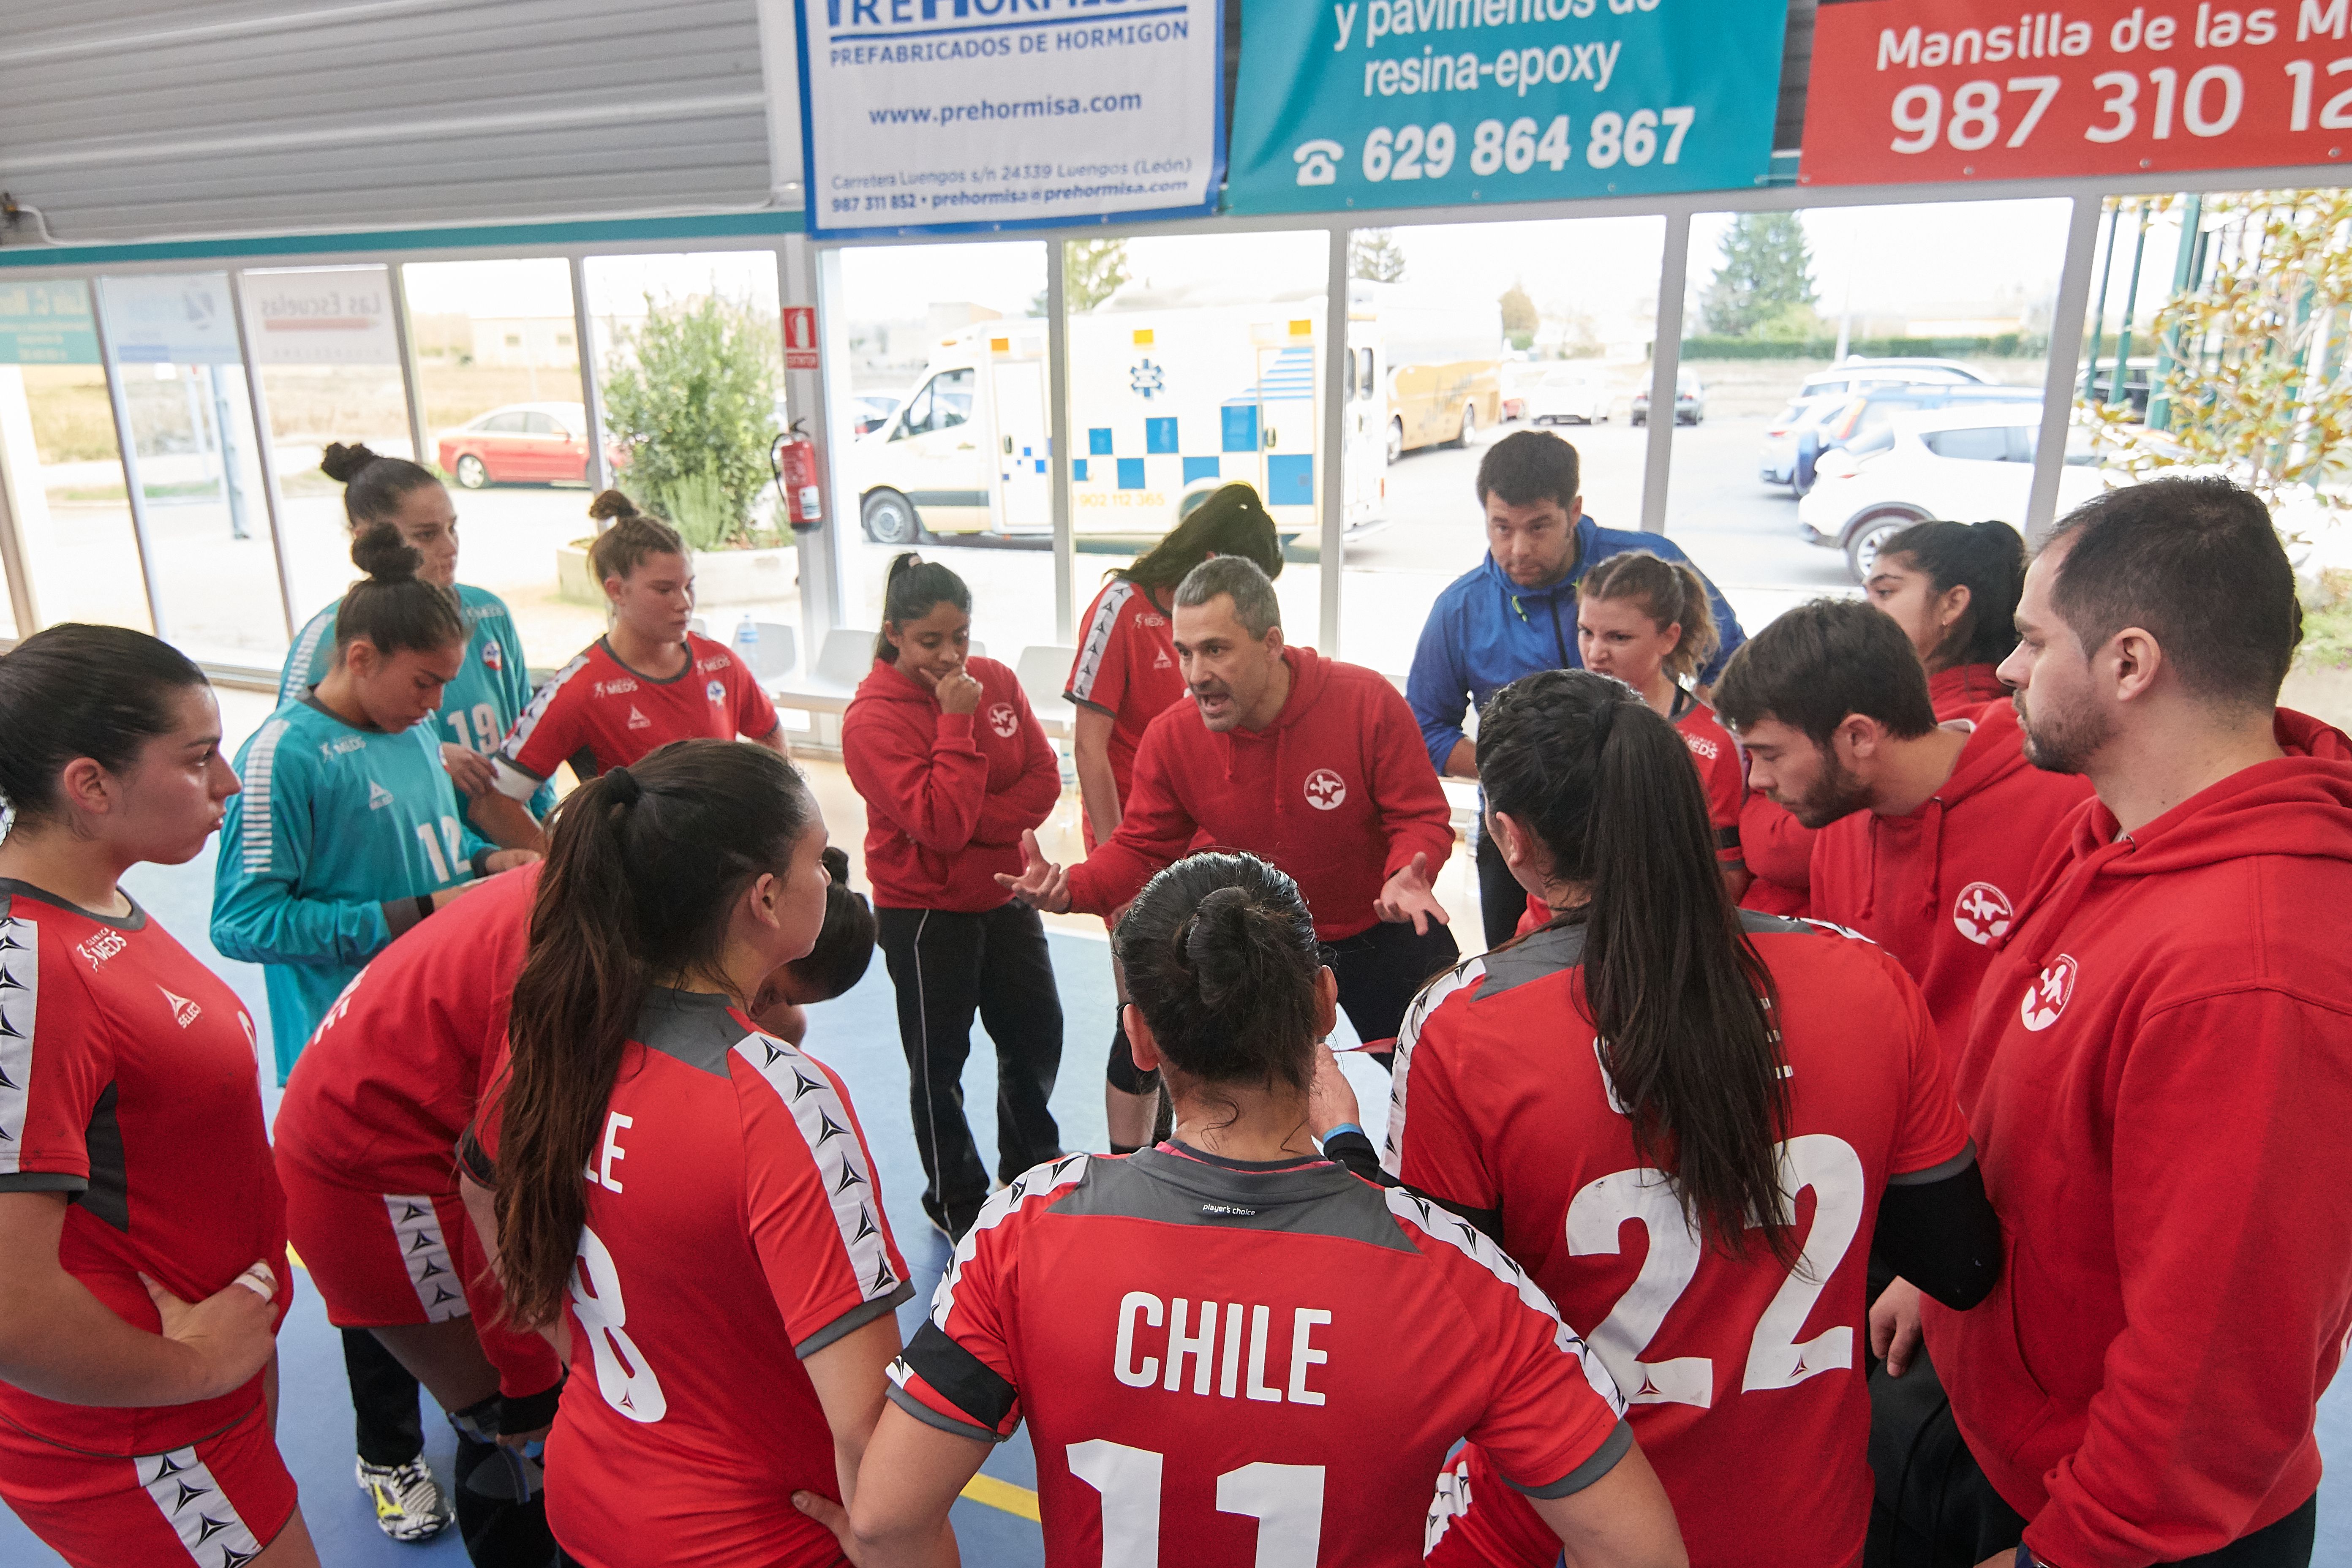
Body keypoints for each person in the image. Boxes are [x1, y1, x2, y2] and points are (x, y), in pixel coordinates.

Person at [839, 851, 1691, 1568]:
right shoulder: (1461, 1278)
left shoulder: (1025, 1231)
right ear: (1324, 1004)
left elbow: (885, 1517)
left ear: (1139, 1041)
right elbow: (1642, 1549)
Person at [1376, 668, 2000, 1568]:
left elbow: (1437, 1340)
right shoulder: (1865, 980)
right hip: (1805, 1522)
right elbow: (1961, 1260)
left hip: (1573, 1531)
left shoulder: (1468, 1026)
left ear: (1511, 839)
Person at [1874, 476, 2352, 1568]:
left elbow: (2223, 1365)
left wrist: (2073, 1552)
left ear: (2131, 664)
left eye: (2036, 641)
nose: (2006, 667)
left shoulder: (2255, 975)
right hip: (2017, 1434)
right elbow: (2044, 1133)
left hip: (2123, 1526)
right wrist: (1947, 1285)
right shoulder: (2121, 840)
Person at [462, 739, 911, 1567]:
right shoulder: (779, 1098)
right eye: (820, 860)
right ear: (766, 898)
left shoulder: (556, 1034)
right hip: (752, 1539)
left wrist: (581, 1355)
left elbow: (481, 1186)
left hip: (592, 1495)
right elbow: (866, 1428)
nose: (831, 881)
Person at [214, 524, 537, 1541]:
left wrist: (490, 856)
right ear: (360, 657)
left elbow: (448, 853)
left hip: (442, 1064)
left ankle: (476, 1426)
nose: (437, 701)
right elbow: (243, 921)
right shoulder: (281, 757)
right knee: (380, 1292)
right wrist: (411, 914)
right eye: (423, 679)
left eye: (448, 681)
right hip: (346, 1069)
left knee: (457, 1274)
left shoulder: (415, 739)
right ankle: (388, 1455)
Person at [0, 626, 316, 1567]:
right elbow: (8, 1305)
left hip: (201, 1388)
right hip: (138, 1430)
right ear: (91, 785)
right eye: (198, 758)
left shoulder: (100, 902)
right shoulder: (28, 965)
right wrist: (194, 1366)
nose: (227, 782)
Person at [1004, 555, 1458, 1064]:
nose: (1197, 675)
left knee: (1441, 1075)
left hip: (1384, 923)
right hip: (1265, 943)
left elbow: (1419, 815)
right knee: (1249, 1106)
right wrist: (1072, 889)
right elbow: (1141, 849)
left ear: (1271, 643)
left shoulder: (1366, 701)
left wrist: (1407, 870)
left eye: (1215, 650)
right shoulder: (1173, 735)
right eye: (1185, 653)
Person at [272, 863, 565, 1567]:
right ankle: (407, 1457)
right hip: (373, 1181)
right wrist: (529, 1381)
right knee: (511, 1427)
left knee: (536, 1407)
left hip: (389, 1140)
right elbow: (495, 1189)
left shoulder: (571, 887)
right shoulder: (566, 964)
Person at [1406, 430, 1746, 947]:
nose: (1517, 549)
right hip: (1522, 826)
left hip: (1645, 818)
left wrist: (1683, 740)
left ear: (1574, 511)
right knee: (1523, 965)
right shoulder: (1460, 608)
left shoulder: (1643, 565)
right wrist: (1536, 768)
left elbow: (1731, 666)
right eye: (1501, 528)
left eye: (1538, 527)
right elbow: (1426, 729)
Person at [1714, 599, 2090, 1055]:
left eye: (1771, 755)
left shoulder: (2064, 800)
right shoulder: (1839, 818)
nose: (1758, 781)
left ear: (1858, 736)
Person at [843, 553, 1064, 1241]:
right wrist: (954, 723)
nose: (949, 655)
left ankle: (1028, 1168)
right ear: (893, 634)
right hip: (924, 915)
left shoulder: (994, 679)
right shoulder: (870, 722)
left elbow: (1043, 780)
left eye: (960, 637)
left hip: (1007, 896)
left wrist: (976, 819)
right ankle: (954, 1195)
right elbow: (936, 824)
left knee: (1036, 1036)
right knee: (939, 1065)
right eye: (930, 641)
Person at [1065, 482, 1285, 1155]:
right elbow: (1087, 746)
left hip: (1203, 857)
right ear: (1212, 556)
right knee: (1142, 1015)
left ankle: (1190, 1148)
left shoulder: (1228, 632)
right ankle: (1132, 1162)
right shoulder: (1121, 606)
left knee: (1208, 1009)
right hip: (1135, 852)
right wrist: (1116, 870)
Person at [287, 441, 550, 850]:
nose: (449, 547)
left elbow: (531, 738)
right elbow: (306, 761)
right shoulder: (330, 635)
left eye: (452, 527)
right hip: (413, 859)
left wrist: (547, 829)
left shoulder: (489, 612)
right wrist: (435, 754)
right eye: (426, 535)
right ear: (367, 538)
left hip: (507, 848)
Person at [487, 490, 787, 842]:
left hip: (723, 875)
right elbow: (494, 803)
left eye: (689, 586)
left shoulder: (720, 662)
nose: (685, 603)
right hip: (637, 885)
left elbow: (769, 733)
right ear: (616, 591)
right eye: (664, 590)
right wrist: (567, 872)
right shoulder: (582, 688)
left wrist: (767, 815)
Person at [1569, 551, 1747, 901]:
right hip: (1554, 922)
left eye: (1619, 638)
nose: (1595, 653)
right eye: (1586, 632)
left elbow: (1728, 877)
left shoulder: (1711, 744)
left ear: (1668, 638)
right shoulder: (1560, 716)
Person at [1863, 519, 2025, 720]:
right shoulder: (1910, 698)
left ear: (1952, 604)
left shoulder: (1964, 721)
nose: (1866, 608)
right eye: (1867, 593)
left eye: (1884, 592)